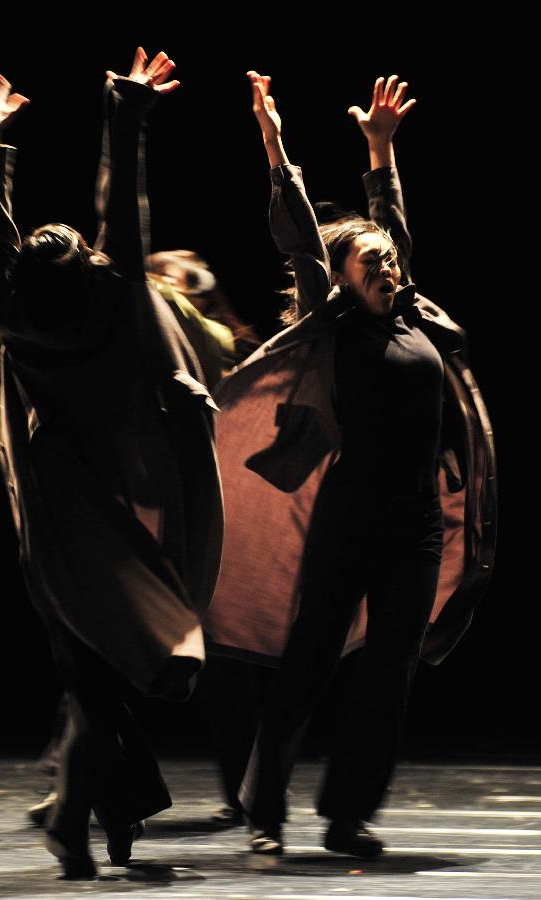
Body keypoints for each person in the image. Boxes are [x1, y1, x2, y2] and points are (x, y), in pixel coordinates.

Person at [204, 72, 496, 858]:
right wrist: (275, 144)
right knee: (307, 662)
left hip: (417, 523)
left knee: (391, 672)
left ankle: (346, 816)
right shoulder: (337, 331)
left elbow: (392, 220)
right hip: (350, 515)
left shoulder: (413, 317)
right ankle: (263, 811)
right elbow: (300, 236)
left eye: (392, 259)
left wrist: (380, 150)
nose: (391, 265)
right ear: (339, 277)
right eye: (374, 260)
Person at [0, 48, 224, 878]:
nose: (56, 230)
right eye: (60, 240)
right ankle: (84, 814)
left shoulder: (16, 304)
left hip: (48, 495)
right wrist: (126, 115)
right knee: (97, 669)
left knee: (87, 668)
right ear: (91, 269)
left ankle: (97, 812)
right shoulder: (110, 303)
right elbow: (124, 213)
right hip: (103, 494)